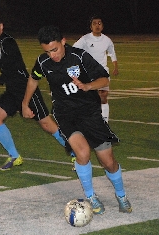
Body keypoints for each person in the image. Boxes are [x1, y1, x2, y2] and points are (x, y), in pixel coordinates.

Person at [22, 25, 132, 214]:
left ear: (63, 41)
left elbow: (104, 79)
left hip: (90, 113)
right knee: (82, 154)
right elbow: (33, 79)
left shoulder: (79, 57)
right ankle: (91, 196)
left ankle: (121, 194)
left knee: (108, 162)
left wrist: (88, 86)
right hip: (65, 114)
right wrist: (25, 103)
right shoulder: (42, 62)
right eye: (47, 51)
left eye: (55, 49)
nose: (52, 55)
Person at [0, 13, 74, 171]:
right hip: (12, 90)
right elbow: (11, 66)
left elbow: (13, 60)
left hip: (26, 89)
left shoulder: (7, 41)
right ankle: (14, 156)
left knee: (47, 124)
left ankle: (75, 152)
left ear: (1, 26)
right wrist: (3, 75)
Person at [73, 15, 118, 123]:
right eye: (94, 23)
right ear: (90, 27)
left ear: (102, 26)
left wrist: (115, 67)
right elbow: (74, 50)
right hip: (88, 72)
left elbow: (112, 53)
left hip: (102, 72)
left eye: (99, 23)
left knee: (103, 95)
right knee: (90, 98)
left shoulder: (107, 40)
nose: (97, 25)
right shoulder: (85, 39)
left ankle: (105, 122)